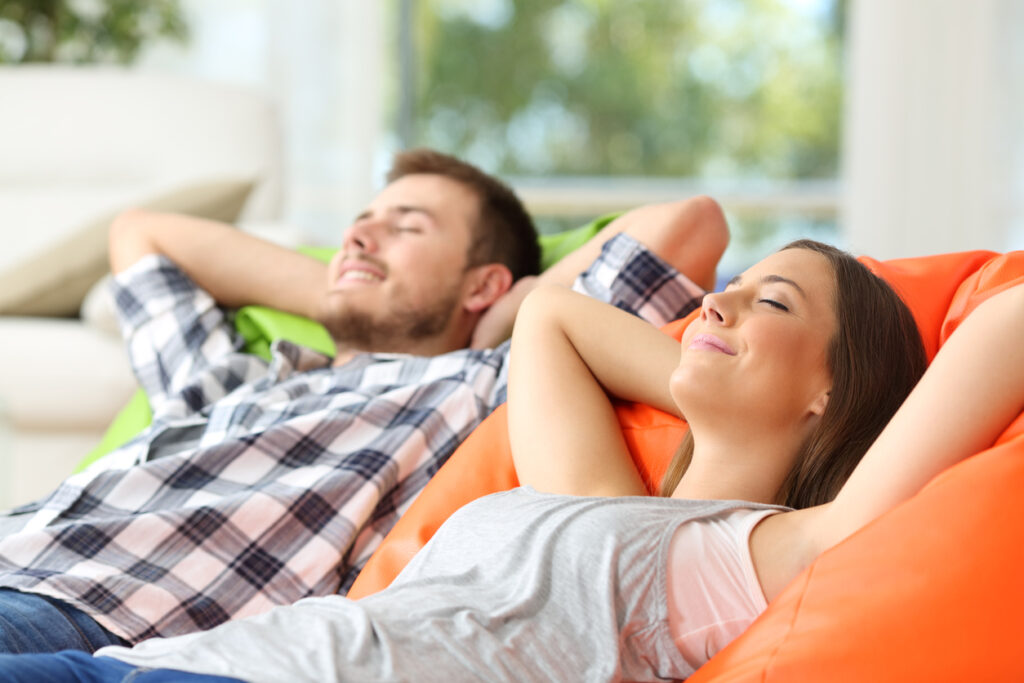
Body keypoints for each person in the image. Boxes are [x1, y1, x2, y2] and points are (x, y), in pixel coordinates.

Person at [1, 240, 1019, 682]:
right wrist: (716, 364)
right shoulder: (599, 498)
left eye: (773, 302)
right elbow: (555, 321)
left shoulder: (756, 557)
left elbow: (1005, 320)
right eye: (731, 286)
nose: (718, 300)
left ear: (830, 391)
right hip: (171, 659)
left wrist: (740, 380)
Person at [0, 148, 730, 655]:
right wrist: (339, 286)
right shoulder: (233, 381)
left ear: (484, 283)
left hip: (92, 612)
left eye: (408, 225)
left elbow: (689, 226)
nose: (358, 233)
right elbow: (143, 235)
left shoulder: (478, 384)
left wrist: (505, 314)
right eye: (361, 221)